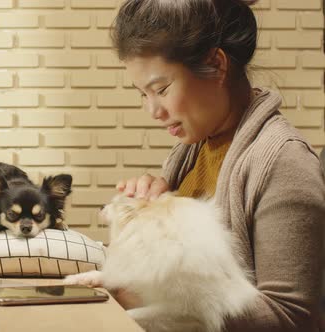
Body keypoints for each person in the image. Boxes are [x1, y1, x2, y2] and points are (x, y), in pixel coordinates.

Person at [110, 0, 325, 331]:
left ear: (216, 65)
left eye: (161, 90)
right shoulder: (189, 154)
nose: (153, 111)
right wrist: (156, 213)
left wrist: (156, 302)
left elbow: (290, 316)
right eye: (143, 95)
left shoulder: (285, 163)